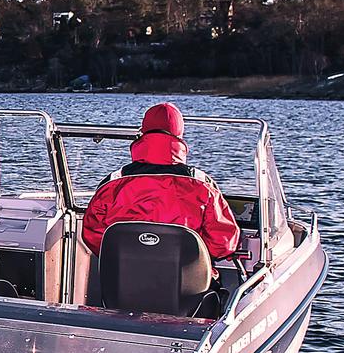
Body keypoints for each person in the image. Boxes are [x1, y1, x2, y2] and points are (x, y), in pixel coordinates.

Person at [81, 103, 240, 262]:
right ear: (179, 135)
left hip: (125, 282)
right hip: (188, 284)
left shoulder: (112, 184)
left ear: (143, 131)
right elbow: (223, 244)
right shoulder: (202, 185)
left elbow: (93, 235)